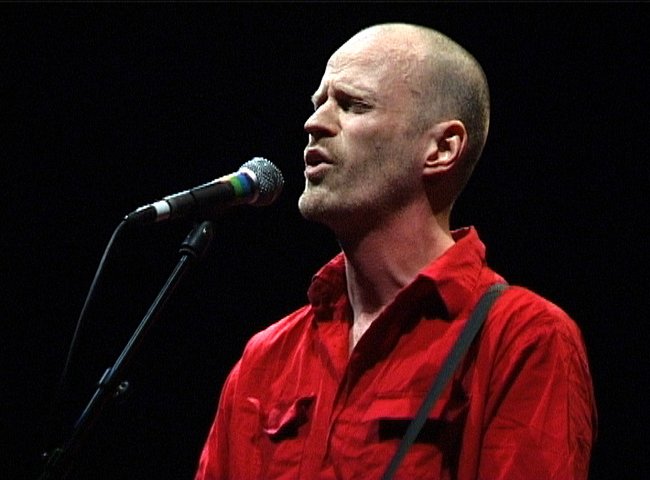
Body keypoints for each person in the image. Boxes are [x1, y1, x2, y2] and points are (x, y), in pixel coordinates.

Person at [195, 23, 597, 479]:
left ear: (441, 148)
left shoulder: (522, 339)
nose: (314, 123)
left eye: (352, 105)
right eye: (319, 103)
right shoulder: (266, 359)